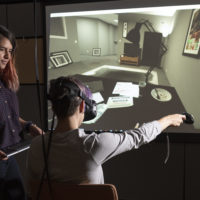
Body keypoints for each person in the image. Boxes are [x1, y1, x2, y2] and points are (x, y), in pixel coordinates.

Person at [28, 76, 186, 186]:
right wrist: (168, 120)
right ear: (83, 106)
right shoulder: (93, 145)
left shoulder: (35, 146)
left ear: (53, 107)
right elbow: (139, 136)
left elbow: (33, 190)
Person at [0, 25, 42, 199]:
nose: (7, 56)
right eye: (2, 50)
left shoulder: (5, 83)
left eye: (10, 51)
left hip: (8, 156)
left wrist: (28, 126)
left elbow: (10, 117)